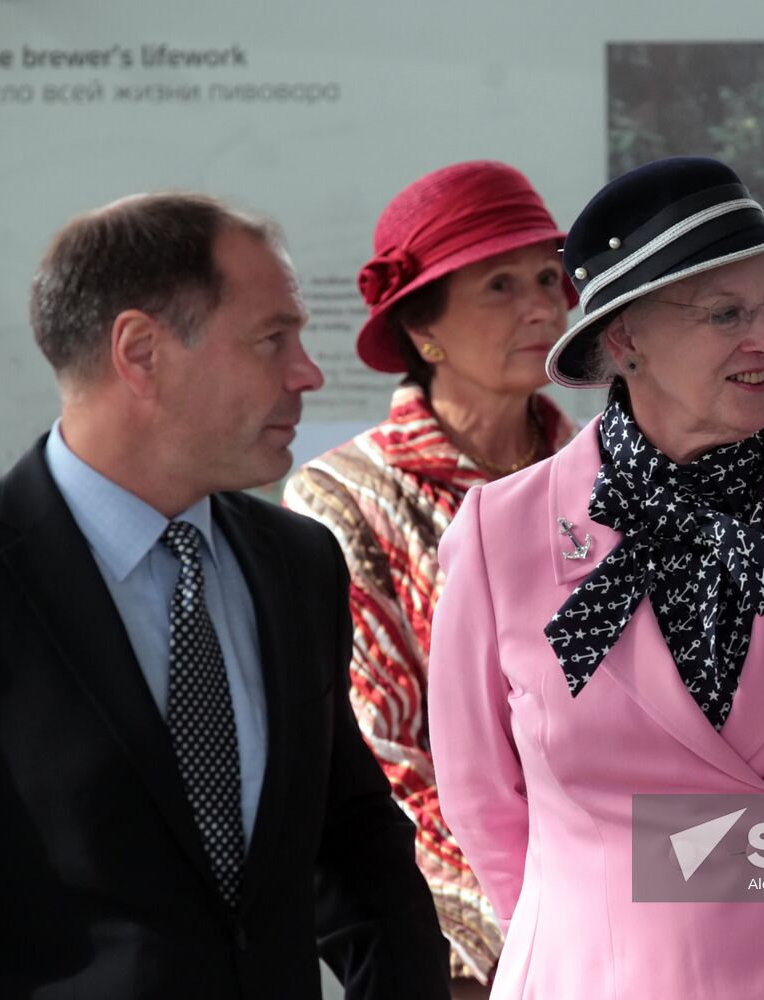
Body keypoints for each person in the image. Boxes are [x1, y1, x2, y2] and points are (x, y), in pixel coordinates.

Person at [428, 157, 764, 999]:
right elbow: (480, 796)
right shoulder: (499, 534)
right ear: (624, 339)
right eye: (726, 314)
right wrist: (575, 929)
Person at [0, 194, 450, 999]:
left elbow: (351, 844)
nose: (309, 372)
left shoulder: (297, 564)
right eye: (273, 339)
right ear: (141, 351)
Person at [283, 160, 578, 991]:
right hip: (461, 949)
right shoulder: (342, 498)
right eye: (499, 285)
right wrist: (528, 924)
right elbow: (382, 761)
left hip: (631, 930)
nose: (541, 306)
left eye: (549, 277)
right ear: (424, 330)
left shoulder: (608, 481)